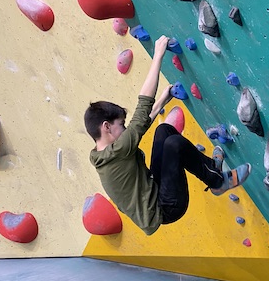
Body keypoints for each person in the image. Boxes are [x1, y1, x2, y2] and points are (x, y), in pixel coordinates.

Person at [84, 35, 251, 236]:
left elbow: (141, 125)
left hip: (155, 186)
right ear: (106, 127)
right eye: (121, 124)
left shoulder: (102, 152)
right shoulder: (117, 151)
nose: (125, 128)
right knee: (173, 144)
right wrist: (158, 55)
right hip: (167, 208)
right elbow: (142, 109)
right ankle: (218, 182)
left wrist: (164, 99)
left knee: (164, 131)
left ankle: (212, 168)